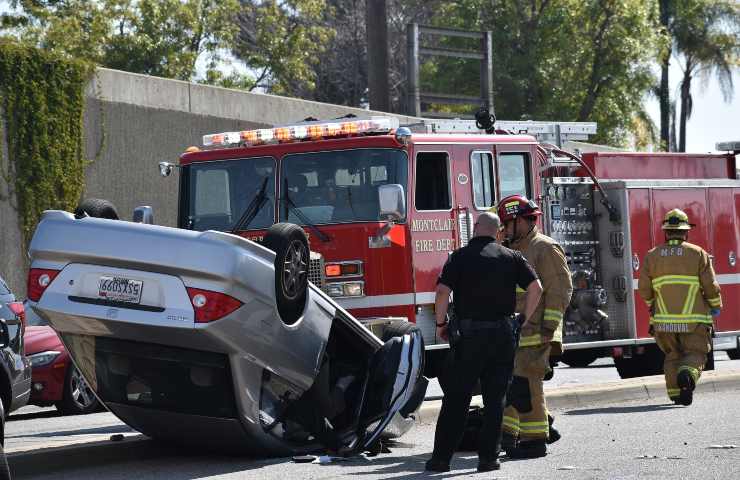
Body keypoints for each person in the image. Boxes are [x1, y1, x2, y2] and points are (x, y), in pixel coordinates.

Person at [425, 212, 543, 473]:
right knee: (495, 399)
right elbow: (536, 288)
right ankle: (488, 459)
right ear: (497, 230)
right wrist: (522, 319)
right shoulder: (511, 257)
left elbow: (443, 292)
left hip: (469, 338)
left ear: (476, 228)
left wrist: (441, 324)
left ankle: (441, 460)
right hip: (502, 336)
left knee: (456, 398)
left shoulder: (460, 257)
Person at [496, 194, 572, 459]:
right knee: (511, 384)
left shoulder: (544, 248)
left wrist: (548, 328)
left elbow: (560, 290)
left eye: (507, 223)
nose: (503, 229)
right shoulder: (512, 249)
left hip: (535, 331)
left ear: (521, 221)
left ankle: (534, 441)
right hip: (514, 331)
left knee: (527, 384)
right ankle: (508, 434)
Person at [637, 209, 722, 406]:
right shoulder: (698, 253)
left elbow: (644, 288)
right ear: (686, 232)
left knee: (672, 355)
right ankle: (687, 375)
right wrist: (715, 305)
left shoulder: (652, 255)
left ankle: (676, 393)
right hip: (694, 320)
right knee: (695, 353)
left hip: (663, 322)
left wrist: (652, 305)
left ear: (666, 232)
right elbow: (710, 286)